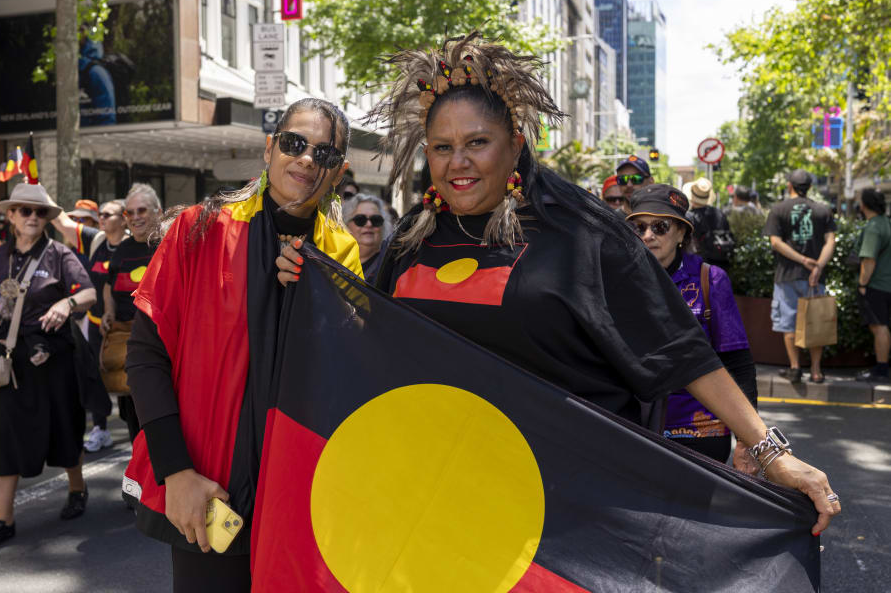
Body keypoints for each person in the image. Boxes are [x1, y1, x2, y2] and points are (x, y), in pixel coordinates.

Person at [281, 32, 838, 536]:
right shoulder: (410, 240)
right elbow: (371, 341)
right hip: (441, 505)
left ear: (515, 142)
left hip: (567, 517)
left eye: (477, 142)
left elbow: (678, 347)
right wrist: (311, 289)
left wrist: (768, 451)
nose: (459, 163)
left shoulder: (581, 233)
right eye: (443, 147)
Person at [123, 97, 362, 592]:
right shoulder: (199, 229)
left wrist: (320, 293)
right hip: (209, 490)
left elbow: (348, 368)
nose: (306, 160)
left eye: (325, 154)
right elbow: (147, 356)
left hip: (300, 497)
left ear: (338, 173)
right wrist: (177, 472)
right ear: (270, 148)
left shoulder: (341, 251)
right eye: (295, 144)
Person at [0, 183, 96, 550]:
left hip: (54, 360)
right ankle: (2, 520)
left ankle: (77, 488)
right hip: (12, 360)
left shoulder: (59, 254)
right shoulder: (1, 256)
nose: (34, 218)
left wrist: (66, 305)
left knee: (65, 429)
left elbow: (86, 291)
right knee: (5, 439)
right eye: (25, 211)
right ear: (10, 216)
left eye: (40, 213)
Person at [626, 185, 759, 467]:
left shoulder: (711, 280)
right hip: (635, 427)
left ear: (682, 233)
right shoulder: (620, 279)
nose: (648, 235)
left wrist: (748, 440)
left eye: (660, 227)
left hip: (700, 428)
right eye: (640, 227)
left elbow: (739, 363)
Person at [51, 198, 126, 452]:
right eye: (101, 214)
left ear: (123, 218)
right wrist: (33, 185)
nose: (103, 218)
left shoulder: (134, 244)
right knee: (93, 375)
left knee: (129, 384)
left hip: (127, 327)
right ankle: (100, 428)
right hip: (95, 322)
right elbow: (60, 221)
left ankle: (143, 433)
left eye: (108, 214)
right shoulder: (96, 240)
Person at [763, 169, 836, 384]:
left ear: (789, 186)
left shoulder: (778, 209)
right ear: (810, 188)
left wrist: (802, 260)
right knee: (816, 321)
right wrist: (818, 267)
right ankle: (816, 371)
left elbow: (776, 242)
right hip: (815, 278)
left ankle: (795, 368)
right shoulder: (823, 210)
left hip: (787, 275)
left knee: (788, 323)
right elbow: (831, 241)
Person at [100, 184, 161, 442]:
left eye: (142, 210)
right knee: (133, 415)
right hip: (126, 339)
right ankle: (140, 475)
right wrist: (108, 312)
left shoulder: (168, 244)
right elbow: (108, 286)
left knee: (156, 413)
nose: (135, 217)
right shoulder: (123, 250)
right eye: (129, 212)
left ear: (157, 212)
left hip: (159, 343)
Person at [855, 188, 891, 383]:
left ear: (864, 205)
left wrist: (862, 284)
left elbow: (868, 260)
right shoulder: (887, 223)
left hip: (876, 285)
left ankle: (881, 368)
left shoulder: (873, 227)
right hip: (888, 283)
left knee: (879, 327)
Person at [685, 177, 735, 271]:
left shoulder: (690, 216)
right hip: (722, 264)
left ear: (692, 197)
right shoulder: (719, 213)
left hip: (699, 266)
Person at [343, 193, 393, 282]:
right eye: (360, 219)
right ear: (345, 225)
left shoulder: (389, 266)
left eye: (376, 220)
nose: (369, 224)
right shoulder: (333, 261)